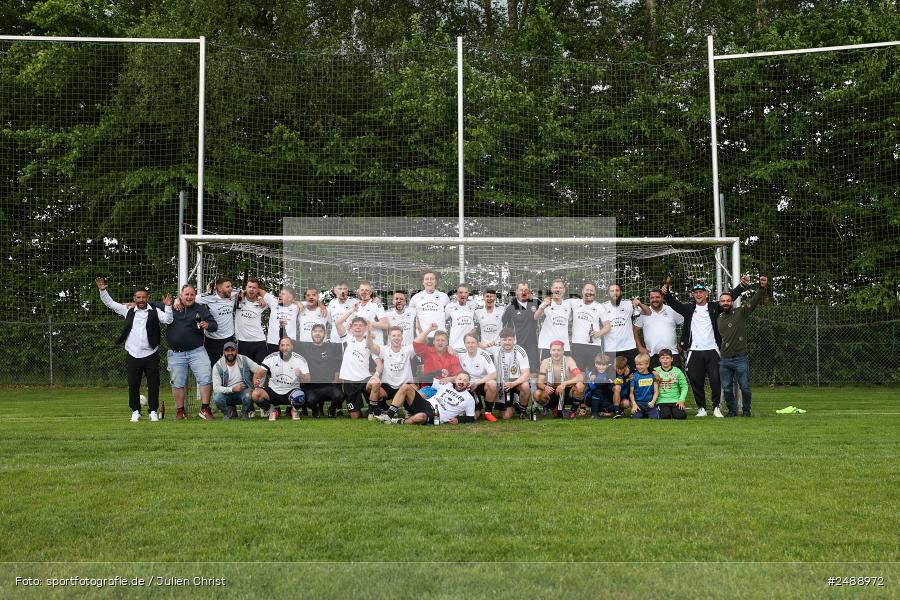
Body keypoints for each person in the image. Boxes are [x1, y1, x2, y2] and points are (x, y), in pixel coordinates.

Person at [663, 276, 749, 418]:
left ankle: (716, 407)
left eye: (701, 292)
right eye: (695, 292)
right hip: (694, 350)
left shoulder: (714, 307)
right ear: (693, 295)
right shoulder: (688, 309)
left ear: (706, 294)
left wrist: (742, 286)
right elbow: (673, 303)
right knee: (696, 380)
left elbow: (730, 297)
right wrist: (666, 293)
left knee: (716, 380)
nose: (698, 294)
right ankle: (701, 408)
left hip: (713, 349)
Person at [96, 277, 173, 422]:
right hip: (132, 355)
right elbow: (110, 303)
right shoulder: (128, 310)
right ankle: (135, 411)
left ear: (147, 298)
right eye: (138, 297)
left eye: (144, 297)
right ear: (134, 298)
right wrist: (102, 290)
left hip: (151, 354)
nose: (141, 300)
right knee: (133, 385)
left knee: (154, 385)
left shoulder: (155, 311)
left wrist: (168, 306)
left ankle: (153, 412)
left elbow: (168, 320)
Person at [161, 284, 218, 420]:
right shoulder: (172, 306)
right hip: (176, 354)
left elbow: (214, 325)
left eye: (192, 294)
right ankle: (180, 411)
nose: (189, 297)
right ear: (180, 295)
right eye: (186, 294)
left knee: (205, 378)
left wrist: (207, 325)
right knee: (177, 383)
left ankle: (205, 409)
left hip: (197, 351)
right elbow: (149, 305)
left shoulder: (200, 309)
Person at [718, 275, 768, 417]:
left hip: (740, 358)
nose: (726, 303)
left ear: (732, 302)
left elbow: (753, 301)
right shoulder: (718, 318)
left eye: (728, 300)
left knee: (744, 387)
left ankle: (746, 410)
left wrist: (762, 288)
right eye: (723, 301)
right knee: (727, 388)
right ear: (720, 303)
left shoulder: (740, 312)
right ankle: (732, 411)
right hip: (725, 359)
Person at [375, 372, 476, 425]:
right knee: (406, 386)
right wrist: (449, 378)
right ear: (455, 380)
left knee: (421, 417)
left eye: (465, 380)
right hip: (425, 403)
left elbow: (471, 418)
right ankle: (389, 416)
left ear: (468, 384)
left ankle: (398, 421)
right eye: (459, 379)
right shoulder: (447, 385)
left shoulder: (469, 399)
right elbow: (425, 376)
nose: (461, 381)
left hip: (436, 415)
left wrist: (459, 420)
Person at [335, 308, 383, 419]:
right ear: (351, 328)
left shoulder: (370, 343)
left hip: (365, 378)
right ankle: (368, 411)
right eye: (355, 325)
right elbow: (338, 322)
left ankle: (372, 412)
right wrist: (352, 310)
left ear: (366, 328)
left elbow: (379, 364)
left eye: (361, 325)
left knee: (375, 384)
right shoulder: (346, 338)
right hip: (349, 380)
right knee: (355, 417)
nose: (358, 327)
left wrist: (375, 376)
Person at [252, 337, 310, 421]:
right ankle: (272, 410)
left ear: (292, 347)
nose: (285, 348)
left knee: (300, 396)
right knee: (255, 394)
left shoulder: (300, 359)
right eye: (282, 345)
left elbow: (308, 380)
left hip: (291, 392)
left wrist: (301, 374)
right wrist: (255, 381)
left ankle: (294, 410)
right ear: (279, 347)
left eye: (287, 345)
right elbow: (258, 374)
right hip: (273, 391)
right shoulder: (271, 358)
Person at [367, 325, 417, 417]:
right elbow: (370, 346)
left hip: (404, 385)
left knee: (416, 390)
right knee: (373, 386)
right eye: (393, 335)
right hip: (388, 386)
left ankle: (408, 410)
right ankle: (373, 412)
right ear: (389, 337)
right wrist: (369, 334)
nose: (396, 338)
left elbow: (420, 341)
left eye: (398, 335)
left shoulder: (408, 349)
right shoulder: (384, 350)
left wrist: (427, 329)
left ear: (402, 337)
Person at [296, 324, 345, 418]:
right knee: (309, 401)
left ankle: (332, 409)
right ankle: (315, 410)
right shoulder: (304, 346)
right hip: (312, 387)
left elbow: (338, 362)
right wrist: (282, 328)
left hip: (329, 385)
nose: (317, 334)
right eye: (315, 331)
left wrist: (336, 376)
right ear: (311, 333)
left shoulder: (332, 347)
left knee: (340, 396)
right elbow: (288, 341)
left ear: (324, 334)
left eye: (320, 331)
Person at [633, 288, 685, 369]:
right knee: (655, 381)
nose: (655, 300)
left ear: (662, 298)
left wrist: (683, 343)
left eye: (657, 297)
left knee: (674, 381)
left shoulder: (671, 309)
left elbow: (685, 325)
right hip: (652, 355)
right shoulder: (643, 312)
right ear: (649, 299)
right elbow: (635, 330)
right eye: (652, 298)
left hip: (672, 354)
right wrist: (640, 347)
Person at [193, 276, 238, 367]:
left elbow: (248, 292)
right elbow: (189, 299)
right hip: (212, 338)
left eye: (231, 286)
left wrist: (260, 298)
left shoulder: (233, 293)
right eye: (228, 287)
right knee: (212, 367)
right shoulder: (208, 296)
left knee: (230, 366)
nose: (231, 289)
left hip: (228, 337)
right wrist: (178, 300)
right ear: (220, 289)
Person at [534, 340, 584, 418]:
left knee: (580, 385)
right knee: (537, 394)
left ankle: (572, 411)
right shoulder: (545, 362)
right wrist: (545, 387)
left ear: (563, 351)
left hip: (567, 390)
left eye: (558, 350)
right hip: (552, 390)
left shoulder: (569, 360)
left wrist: (564, 383)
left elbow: (580, 377)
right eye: (553, 350)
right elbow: (539, 382)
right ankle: (554, 409)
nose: (556, 352)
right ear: (550, 351)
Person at [212, 341, 260, 419]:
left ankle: (244, 413)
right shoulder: (217, 366)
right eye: (227, 351)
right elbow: (216, 389)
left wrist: (256, 380)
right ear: (224, 352)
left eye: (232, 350)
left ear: (236, 351)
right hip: (227, 394)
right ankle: (229, 413)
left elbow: (259, 370)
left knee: (249, 394)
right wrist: (232, 389)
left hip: (243, 392)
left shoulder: (244, 360)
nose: (230, 353)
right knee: (217, 398)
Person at [570, 282, 611, 372]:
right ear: (582, 291)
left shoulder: (599, 307)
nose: (589, 292)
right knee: (578, 373)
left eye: (592, 290)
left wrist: (598, 333)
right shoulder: (573, 303)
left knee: (594, 374)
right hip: (578, 344)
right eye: (587, 290)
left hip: (594, 346)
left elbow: (607, 326)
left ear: (595, 293)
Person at [600, 284, 642, 370]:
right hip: (611, 349)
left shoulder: (629, 304)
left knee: (632, 375)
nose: (615, 293)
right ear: (608, 293)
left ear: (621, 292)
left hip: (629, 347)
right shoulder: (602, 307)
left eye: (617, 290)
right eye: (612, 291)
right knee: (612, 377)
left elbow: (647, 313)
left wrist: (638, 303)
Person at [493, 327, 532, 419]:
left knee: (525, 386)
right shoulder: (494, 349)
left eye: (510, 339)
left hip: (516, 382)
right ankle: (515, 405)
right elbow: (478, 347)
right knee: (506, 417)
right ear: (500, 340)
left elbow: (526, 374)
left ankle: (522, 410)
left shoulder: (520, 351)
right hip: (502, 384)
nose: (507, 342)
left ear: (514, 340)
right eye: (504, 340)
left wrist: (513, 383)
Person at [458, 333, 498, 421]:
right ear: (464, 344)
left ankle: (488, 412)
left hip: (481, 383)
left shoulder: (484, 355)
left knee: (492, 384)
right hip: (468, 386)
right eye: (468, 343)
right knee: (474, 416)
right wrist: (449, 347)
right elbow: (446, 349)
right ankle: (473, 409)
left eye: (473, 342)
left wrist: (477, 382)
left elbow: (494, 374)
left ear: (477, 343)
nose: (470, 345)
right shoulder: (460, 354)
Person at [501, 281, 540, 371]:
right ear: (517, 291)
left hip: (532, 343)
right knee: (517, 370)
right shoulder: (511, 306)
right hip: (517, 344)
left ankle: (533, 386)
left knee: (533, 370)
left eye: (526, 290)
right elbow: (502, 323)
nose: (523, 292)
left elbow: (546, 307)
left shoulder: (535, 302)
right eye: (521, 290)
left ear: (529, 291)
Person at [534, 279, 572, 361]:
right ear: (552, 289)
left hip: (564, 346)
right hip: (547, 345)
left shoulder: (568, 305)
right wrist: (544, 306)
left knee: (564, 372)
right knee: (546, 372)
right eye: (556, 288)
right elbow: (536, 317)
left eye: (560, 288)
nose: (558, 290)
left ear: (564, 290)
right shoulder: (547, 302)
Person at [234, 277, 269, 364]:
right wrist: (242, 292)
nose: (251, 289)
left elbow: (277, 302)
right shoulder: (238, 299)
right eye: (249, 287)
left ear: (258, 290)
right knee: (244, 372)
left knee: (259, 372)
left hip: (259, 342)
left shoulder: (263, 303)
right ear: (245, 287)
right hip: (243, 342)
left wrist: (261, 298)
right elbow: (225, 291)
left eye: (254, 288)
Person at [409, 270, 450, 339]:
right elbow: (411, 317)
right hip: (422, 337)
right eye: (427, 279)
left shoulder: (444, 297)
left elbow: (448, 316)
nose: (429, 281)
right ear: (423, 282)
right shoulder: (415, 298)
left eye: (432, 279)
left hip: (440, 338)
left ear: (436, 282)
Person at [263, 286, 302, 354]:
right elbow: (259, 291)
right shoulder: (274, 302)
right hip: (273, 343)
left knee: (289, 364)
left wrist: (322, 306)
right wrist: (260, 298)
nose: (280, 295)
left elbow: (313, 303)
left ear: (290, 298)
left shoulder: (296, 307)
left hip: (289, 344)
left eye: (283, 294)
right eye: (280, 293)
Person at [653, 348, 689, 420]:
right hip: (661, 400)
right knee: (665, 416)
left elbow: (684, 386)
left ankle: (675, 411)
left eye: (667, 358)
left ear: (672, 359)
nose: (665, 360)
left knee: (681, 416)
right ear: (659, 360)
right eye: (662, 358)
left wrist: (681, 400)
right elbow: (644, 369)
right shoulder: (655, 370)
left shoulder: (677, 371)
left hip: (675, 400)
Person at [445, 283, 477, 354]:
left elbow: (479, 319)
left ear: (468, 294)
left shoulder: (473, 304)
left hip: (469, 345)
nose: (463, 295)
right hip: (455, 345)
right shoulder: (450, 306)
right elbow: (443, 322)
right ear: (457, 294)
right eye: (461, 292)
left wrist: (475, 329)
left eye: (466, 292)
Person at [354, 281, 389, 345]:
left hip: (375, 344)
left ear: (370, 292)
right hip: (361, 345)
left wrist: (368, 322)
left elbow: (385, 325)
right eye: (362, 290)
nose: (364, 292)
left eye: (366, 290)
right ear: (359, 291)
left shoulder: (376, 304)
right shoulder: (357, 306)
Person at [474, 289, 505, 359]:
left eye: (492, 296)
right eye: (487, 296)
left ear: (495, 298)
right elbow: (473, 327)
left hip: (498, 346)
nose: (489, 298)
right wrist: (478, 343)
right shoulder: (477, 311)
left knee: (498, 368)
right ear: (483, 297)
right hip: (484, 346)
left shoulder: (502, 309)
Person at [583, 353, 616, 418]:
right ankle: (594, 414)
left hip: (603, 398)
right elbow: (592, 387)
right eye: (599, 364)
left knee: (612, 407)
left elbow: (610, 386)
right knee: (597, 391)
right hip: (590, 397)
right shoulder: (591, 373)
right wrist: (605, 382)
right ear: (595, 364)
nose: (601, 367)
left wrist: (609, 383)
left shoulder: (609, 373)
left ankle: (602, 411)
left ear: (607, 365)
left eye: (603, 365)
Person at [629, 353, 659, 419]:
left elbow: (656, 391)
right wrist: (634, 405)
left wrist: (653, 401)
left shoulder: (652, 376)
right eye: (637, 364)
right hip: (638, 403)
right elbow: (631, 393)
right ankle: (641, 413)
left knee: (655, 418)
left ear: (647, 365)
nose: (638, 367)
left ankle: (647, 413)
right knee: (636, 417)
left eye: (640, 364)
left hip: (649, 403)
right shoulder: (634, 376)